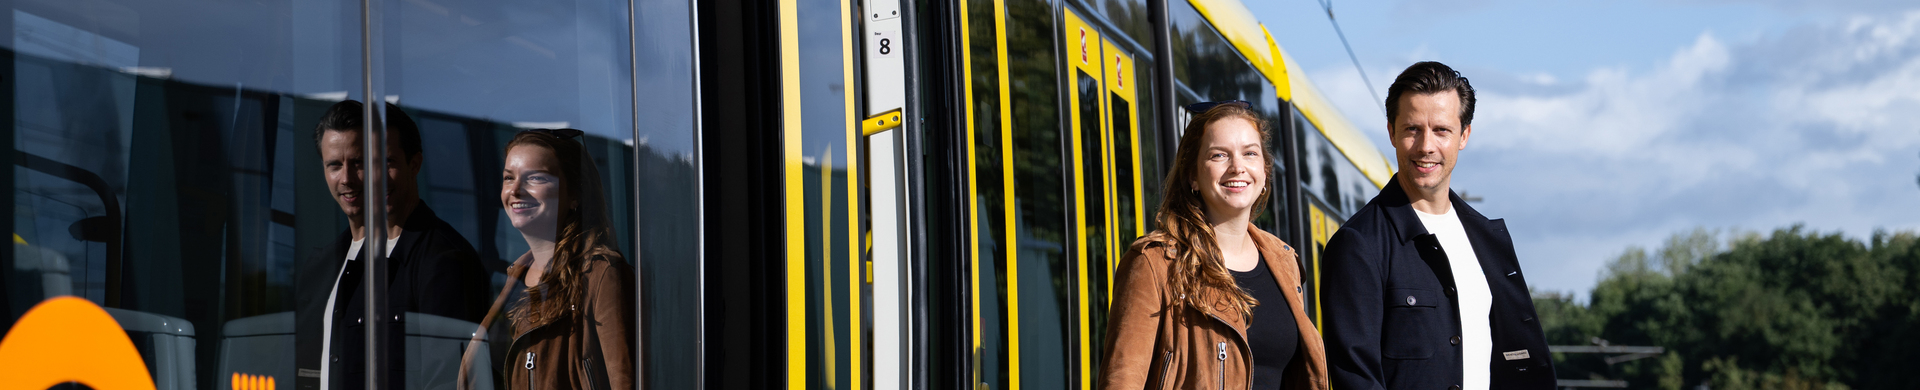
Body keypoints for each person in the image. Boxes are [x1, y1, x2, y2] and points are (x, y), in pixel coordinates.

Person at [1320, 62, 1555, 390]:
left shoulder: (1487, 239)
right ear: (1391, 131)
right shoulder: (1359, 245)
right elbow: (1356, 379)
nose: (1426, 146)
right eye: (1412, 129)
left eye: (1441, 130)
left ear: (1464, 135)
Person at [1100, 101, 1329, 390]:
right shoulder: (1155, 262)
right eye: (1219, 155)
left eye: (1250, 153)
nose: (1237, 167)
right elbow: (1122, 380)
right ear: (1193, 175)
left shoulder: (1284, 262)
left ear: (1264, 170)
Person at [294, 100, 492, 390]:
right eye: (334, 165)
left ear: (415, 164)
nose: (348, 178)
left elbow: (449, 380)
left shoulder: (444, 259)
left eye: (363, 163)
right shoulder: (321, 267)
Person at [463, 128, 634, 390]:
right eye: (509, 178)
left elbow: (625, 380)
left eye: (535, 178)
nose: (516, 190)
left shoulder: (601, 273)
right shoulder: (515, 277)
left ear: (575, 194)